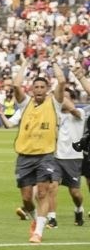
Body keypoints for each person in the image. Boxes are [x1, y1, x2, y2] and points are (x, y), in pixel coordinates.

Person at [6, 70, 60, 243]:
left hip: (45, 155)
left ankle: (38, 232)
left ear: (47, 89)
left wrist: (55, 63)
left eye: (42, 87)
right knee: (27, 199)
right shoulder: (25, 104)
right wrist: (24, 63)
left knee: (43, 193)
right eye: (36, 87)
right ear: (31, 89)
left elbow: (62, 81)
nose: (39, 90)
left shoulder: (54, 103)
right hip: (24, 156)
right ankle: (36, 219)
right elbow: (16, 85)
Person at [54, 78, 85, 227]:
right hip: (55, 157)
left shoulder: (80, 113)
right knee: (51, 187)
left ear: (72, 100)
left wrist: (59, 93)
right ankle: (51, 218)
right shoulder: (56, 114)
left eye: (65, 98)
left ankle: (79, 209)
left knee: (75, 193)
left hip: (73, 158)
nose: (62, 101)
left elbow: (73, 110)